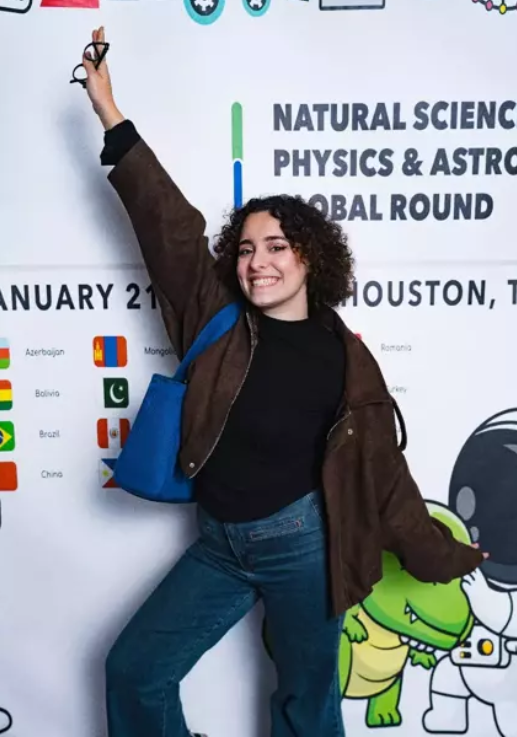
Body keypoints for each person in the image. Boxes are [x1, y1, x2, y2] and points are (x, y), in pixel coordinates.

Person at [79, 26, 488, 737]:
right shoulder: (216, 319)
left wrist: (441, 551)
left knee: (306, 703)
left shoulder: (345, 357)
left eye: (275, 246)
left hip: (303, 546)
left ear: (309, 259)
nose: (256, 262)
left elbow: (382, 475)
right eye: (245, 249)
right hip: (219, 544)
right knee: (135, 669)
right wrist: (111, 115)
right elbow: (167, 225)